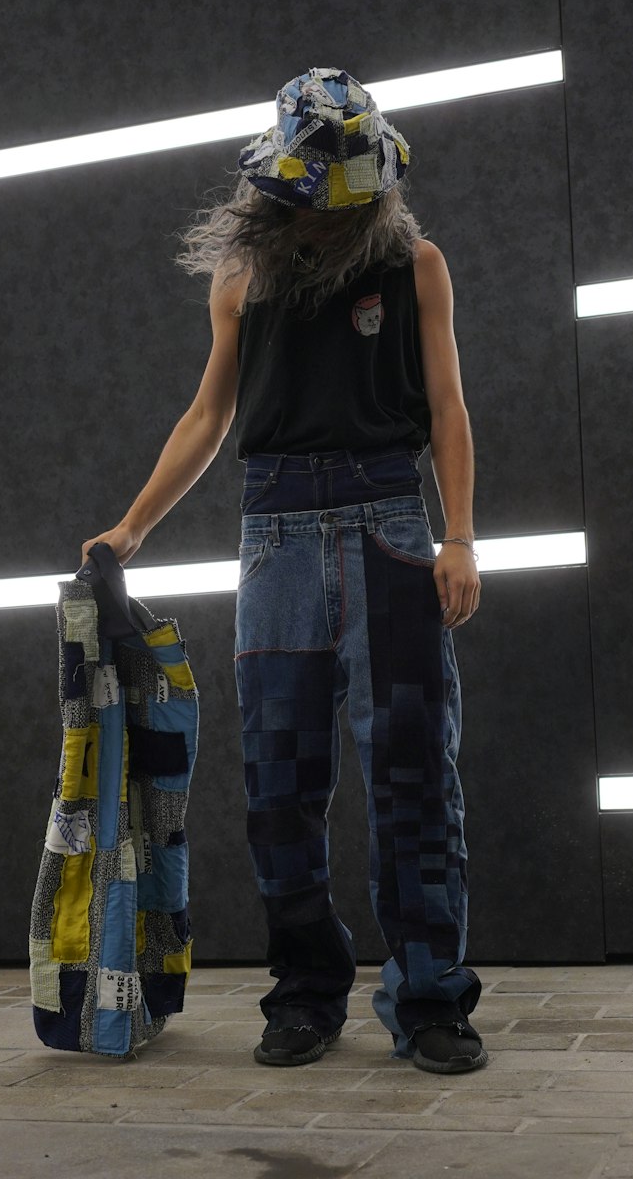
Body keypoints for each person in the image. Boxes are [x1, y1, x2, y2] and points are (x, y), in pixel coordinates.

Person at [81, 66, 487, 1074]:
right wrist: (131, 528)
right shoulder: (241, 279)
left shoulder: (415, 265)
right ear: (279, 184)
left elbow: (445, 410)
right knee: (278, 782)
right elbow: (208, 417)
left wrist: (461, 537)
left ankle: (431, 998)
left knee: (413, 775)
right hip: (276, 537)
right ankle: (305, 992)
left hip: (392, 525)